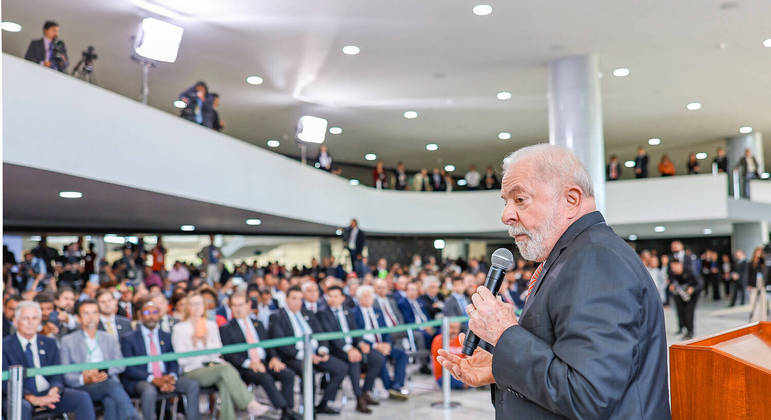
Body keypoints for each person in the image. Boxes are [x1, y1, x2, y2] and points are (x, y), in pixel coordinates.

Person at [437, 144, 670, 419]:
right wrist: (500, 366)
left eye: (520, 199)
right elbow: (565, 366)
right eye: (505, 201)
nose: (506, 215)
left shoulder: (596, 260)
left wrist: (504, 334)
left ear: (571, 200)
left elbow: (588, 395)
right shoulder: (574, 255)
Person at [172, 292, 270, 419]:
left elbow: (217, 352)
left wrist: (205, 343)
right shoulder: (179, 328)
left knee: (224, 382)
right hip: (192, 370)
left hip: (214, 367)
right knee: (226, 369)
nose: (197, 307)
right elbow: (182, 360)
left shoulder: (211, 325)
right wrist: (195, 345)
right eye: (193, 304)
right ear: (187, 307)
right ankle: (248, 402)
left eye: (200, 304)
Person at [3, 301, 95, 420]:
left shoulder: (49, 343)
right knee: (21, 407)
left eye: (35, 318)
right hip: (20, 395)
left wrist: (54, 390)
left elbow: (57, 373)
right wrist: (32, 398)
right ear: (16, 321)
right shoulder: (5, 346)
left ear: (40, 321)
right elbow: (6, 383)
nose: (31, 322)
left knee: (82, 398)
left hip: (48, 392)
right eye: (26, 318)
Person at [220, 292, 301, 420]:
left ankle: (288, 409)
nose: (238, 308)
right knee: (265, 378)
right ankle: (285, 410)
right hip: (245, 367)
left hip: (264, 362)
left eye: (241, 305)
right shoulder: (226, 328)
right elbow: (230, 354)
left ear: (248, 305)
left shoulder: (258, 324)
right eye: (234, 305)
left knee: (287, 374)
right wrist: (249, 363)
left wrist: (274, 358)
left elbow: (268, 344)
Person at [268, 286, 347, 415]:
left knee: (341, 368)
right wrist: (306, 356)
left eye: (300, 299)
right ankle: (308, 411)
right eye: (294, 298)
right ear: (286, 299)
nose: (297, 302)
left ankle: (323, 403)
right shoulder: (277, 317)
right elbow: (281, 343)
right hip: (293, 356)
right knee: (308, 372)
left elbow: (320, 333)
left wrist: (323, 350)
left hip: (315, 353)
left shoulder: (307, 313)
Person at [119, 299, 201, 420]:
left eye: (154, 313)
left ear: (159, 315)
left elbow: (173, 361)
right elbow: (129, 368)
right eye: (147, 313)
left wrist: (171, 376)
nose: (151, 316)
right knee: (149, 391)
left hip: (165, 377)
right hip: (141, 379)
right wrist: (153, 379)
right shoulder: (129, 338)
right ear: (140, 315)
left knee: (192, 385)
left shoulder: (166, 336)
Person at [60, 299, 138, 420]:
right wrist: (84, 378)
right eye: (86, 313)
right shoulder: (67, 341)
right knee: (111, 386)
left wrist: (101, 372)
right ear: (78, 318)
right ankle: (133, 417)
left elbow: (120, 364)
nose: (91, 317)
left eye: (95, 313)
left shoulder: (109, 338)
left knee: (110, 401)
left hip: (106, 381)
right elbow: (65, 374)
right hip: (83, 386)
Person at [317, 286, 385, 413]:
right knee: (353, 361)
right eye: (330, 296)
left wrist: (360, 344)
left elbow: (355, 330)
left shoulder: (347, 310)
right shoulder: (323, 313)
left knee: (377, 358)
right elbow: (331, 335)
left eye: (336, 296)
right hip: (336, 349)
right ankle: (359, 398)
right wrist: (348, 349)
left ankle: (365, 392)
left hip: (352, 346)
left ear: (343, 298)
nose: (333, 299)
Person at [352, 285, 409, 401]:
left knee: (402, 354)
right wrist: (375, 346)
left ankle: (397, 385)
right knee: (380, 357)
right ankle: (389, 387)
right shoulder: (354, 313)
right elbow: (357, 335)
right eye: (365, 297)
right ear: (359, 299)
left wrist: (387, 344)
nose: (368, 299)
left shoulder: (378, 311)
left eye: (370, 296)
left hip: (383, 344)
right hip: (368, 346)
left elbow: (385, 331)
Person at [430, 322, 467, 389]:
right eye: (451, 328)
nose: (454, 331)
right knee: (468, 383)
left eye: (457, 328)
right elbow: (441, 363)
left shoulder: (460, 339)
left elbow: (467, 358)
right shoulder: (439, 340)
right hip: (444, 374)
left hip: (460, 372)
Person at [669, 260, 700, 339]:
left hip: (692, 295)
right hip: (680, 293)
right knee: (680, 311)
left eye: (675, 267)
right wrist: (671, 285)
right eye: (672, 267)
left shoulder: (689, 271)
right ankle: (681, 327)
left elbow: (699, 284)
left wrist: (692, 288)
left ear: (680, 265)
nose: (674, 269)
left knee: (688, 312)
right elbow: (671, 281)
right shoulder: (672, 272)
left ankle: (690, 331)